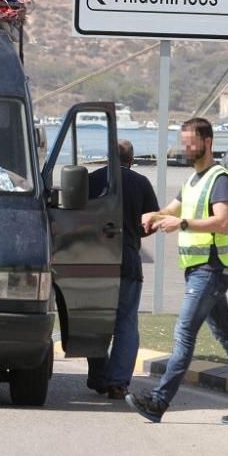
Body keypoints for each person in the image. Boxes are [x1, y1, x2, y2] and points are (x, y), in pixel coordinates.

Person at [128, 117, 228, 423]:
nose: (186, 148)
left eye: (191, 143)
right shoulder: (194, 181)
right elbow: (172, 210)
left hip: (211, 269)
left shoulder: (220, 179)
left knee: (184, 333)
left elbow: (222, 221)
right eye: (184, 142)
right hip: (198, 270)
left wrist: (183, 223)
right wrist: (156, 214)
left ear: (207, 142)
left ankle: (158, 402)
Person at [86, 140, 159, 399]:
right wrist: (135, 233)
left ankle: (98, 375)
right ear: (131, 159)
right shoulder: (141, 183)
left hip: (93, 261)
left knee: (94, 321)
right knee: (126, 323)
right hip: (128, 261)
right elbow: (152, 223)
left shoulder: (91, 180)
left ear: (108, 158)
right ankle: (118, 382)